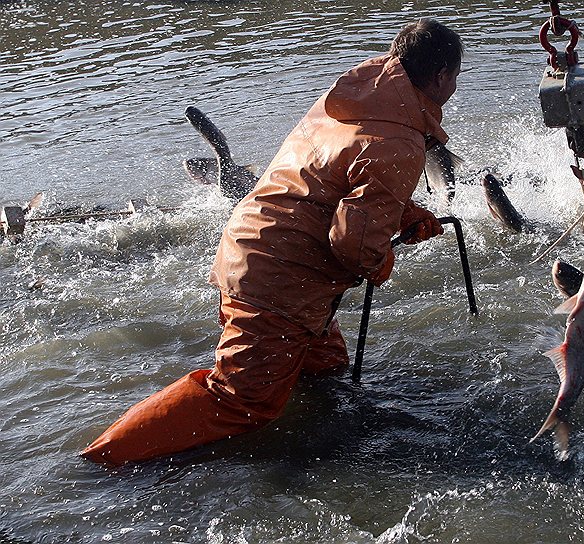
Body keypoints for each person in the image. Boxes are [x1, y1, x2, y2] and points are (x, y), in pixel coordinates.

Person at [81, 19, 463, 466]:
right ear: (440, 78)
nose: (455, 85)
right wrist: (380, 261)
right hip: (279, 282)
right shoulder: (399, 140)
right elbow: (354, 245)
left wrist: (401, 210)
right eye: (457, 76)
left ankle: (321, 435)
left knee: (326, 371)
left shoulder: (354, 99)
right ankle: (102, 464)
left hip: (257, 250)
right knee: (241, 401)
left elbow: (332, 179)